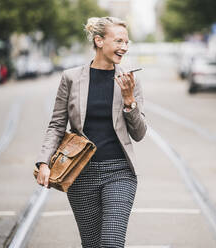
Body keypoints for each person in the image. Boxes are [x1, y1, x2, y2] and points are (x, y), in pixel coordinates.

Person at [35, 16, 147, 247]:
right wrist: (44, 163)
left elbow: (139, 133)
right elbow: (57, 125)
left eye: (126, 42)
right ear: (99, 41)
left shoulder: (129, 79)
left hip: (119, 172)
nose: (124, 47)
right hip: (80, 174)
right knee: (92, 244)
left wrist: (129, 100)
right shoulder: (71, 78)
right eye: (118, 41)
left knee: (111, 243)